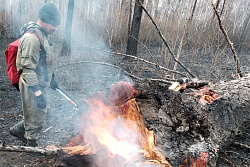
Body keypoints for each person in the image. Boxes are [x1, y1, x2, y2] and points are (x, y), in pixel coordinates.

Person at [9, 2, 61, 147]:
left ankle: (18, 130)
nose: (56, 28)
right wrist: (37, 93)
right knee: (36, 114)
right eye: (54, 25)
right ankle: (30, 143)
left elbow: (45, 60)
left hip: (40, 81)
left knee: (44, 112)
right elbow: (27, 69)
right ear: (43, 21)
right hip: (31, 83)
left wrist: (52, 78)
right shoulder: (32, 38)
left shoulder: (44, 34)